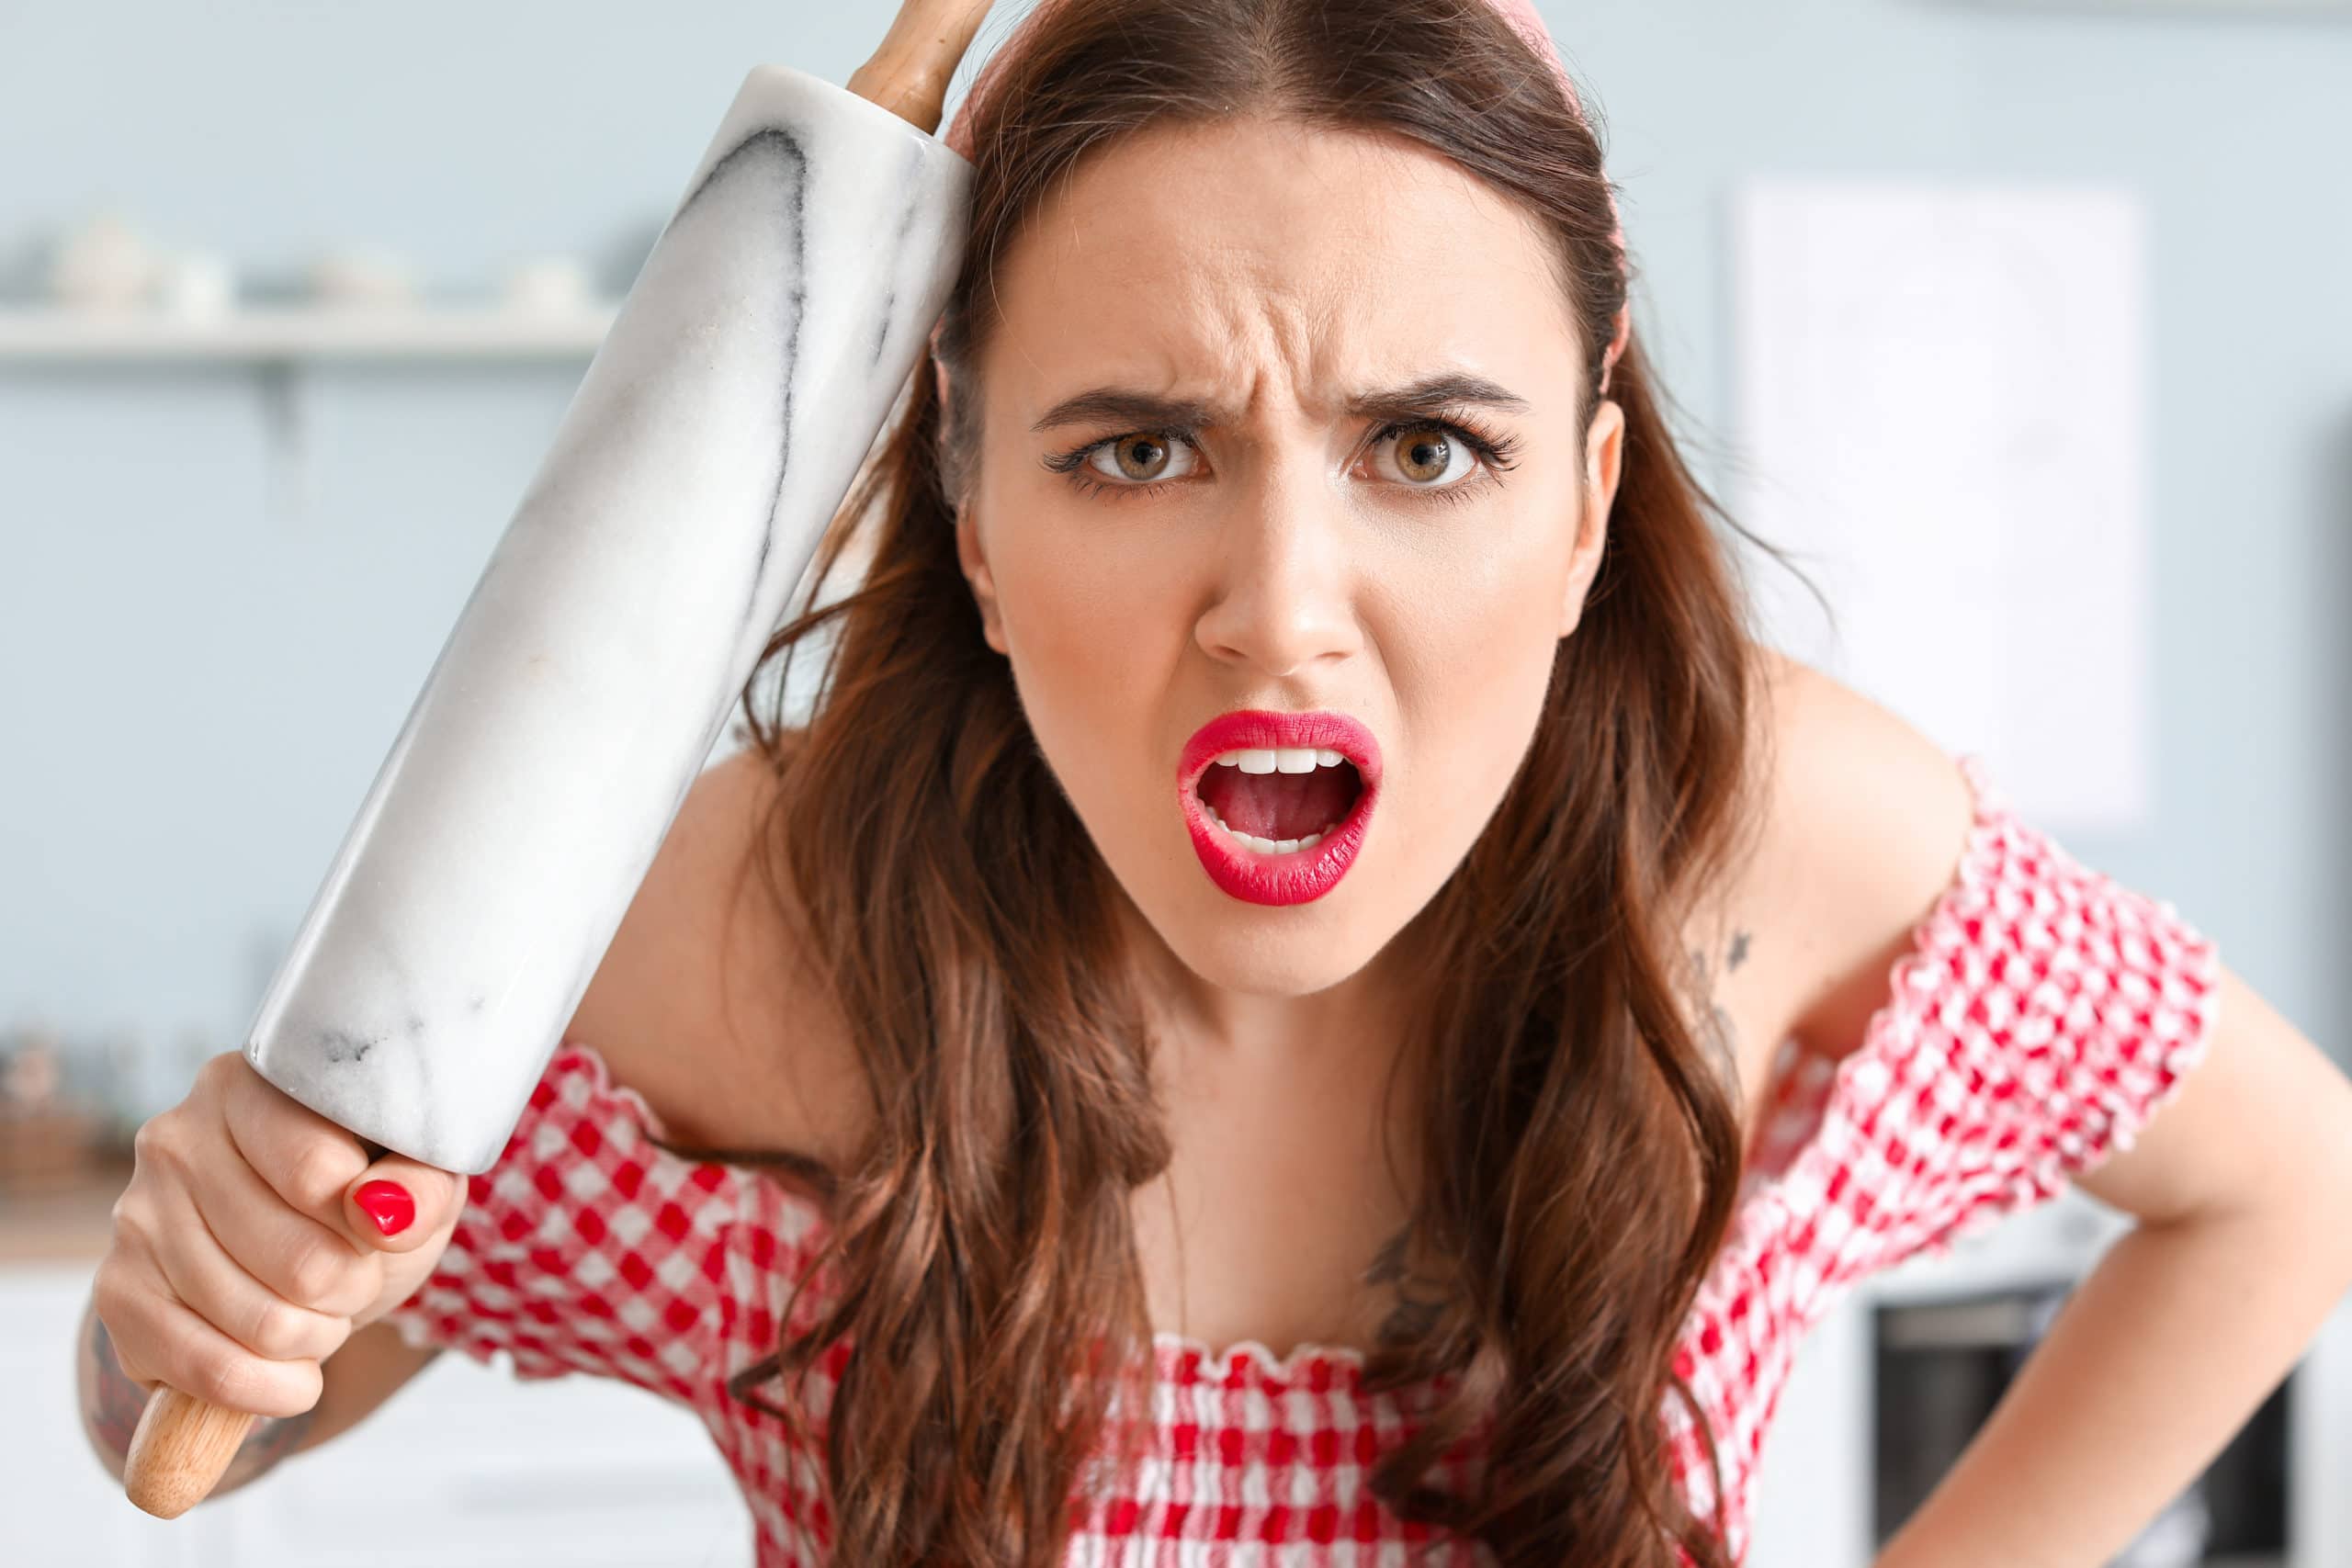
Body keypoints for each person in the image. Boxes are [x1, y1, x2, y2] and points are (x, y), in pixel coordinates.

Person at [75, 0, 2352, 1563]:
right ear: (969, 508)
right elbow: (212, 1422)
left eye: (1425, 446)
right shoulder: (756, 907)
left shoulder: (1754, 844)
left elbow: (2288, 1180)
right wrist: (195, 1303)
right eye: (1138, 445)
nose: (1280, 602)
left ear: (1582, 496)